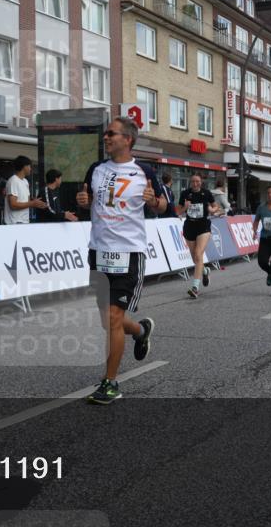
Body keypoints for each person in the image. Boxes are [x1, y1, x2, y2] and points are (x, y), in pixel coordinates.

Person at [76, 117, 164, 404]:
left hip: (129, 254)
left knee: (113, 318)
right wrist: (83, 202)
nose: (106, 137)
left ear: (128, 139)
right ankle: (140, 330)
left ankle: (110, 382)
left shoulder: (145, 171)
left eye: (111, 133)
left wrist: (153, 201)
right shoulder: (96, 169)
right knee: (107, 320)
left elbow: (164, 206)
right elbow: (90, 201)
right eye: (105, 133)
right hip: (98, 252)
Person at [179, 172, 220, 298]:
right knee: (195, 258)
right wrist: (185, 208)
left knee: (198, 254)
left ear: (201, 182)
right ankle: (204, 270)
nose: (195, 183)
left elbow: (215, 206)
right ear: (190, 182)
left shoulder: (206, 193)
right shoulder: (185, 194)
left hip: (203, 226)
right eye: (193, 181)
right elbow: (178, 211)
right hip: (190, 226)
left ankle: (195, 287)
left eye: (197, 181)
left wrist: (212, 210)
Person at [4, 155, 46, 225]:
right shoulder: (13, 181)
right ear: (24, 167)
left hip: (25, 221)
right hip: (14, 222)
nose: (30, 169)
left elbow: (27, 202)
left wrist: (36, 203)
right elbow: (13, 205)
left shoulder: (25, 181)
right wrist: (32, 203)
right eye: (29, 166)